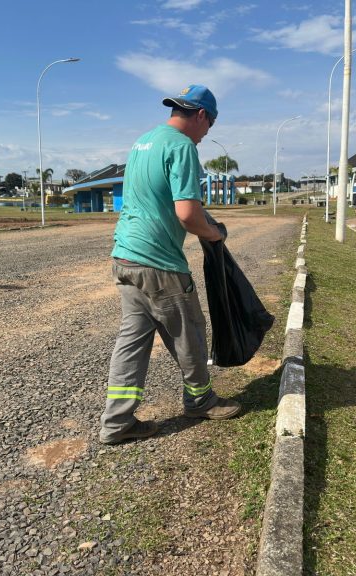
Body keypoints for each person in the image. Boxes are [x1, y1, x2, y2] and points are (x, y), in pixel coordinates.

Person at [99, 84, 241, 445]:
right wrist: (215, 234)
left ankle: (117, 422)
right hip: (158, 263)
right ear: (202, 115)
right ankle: (200, 401)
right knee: (189, 333)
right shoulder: (182, 147)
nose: (206, 134)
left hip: (126, 256)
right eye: (210, 125)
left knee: (132, 342)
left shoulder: (143, 142)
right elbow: (188, 215)